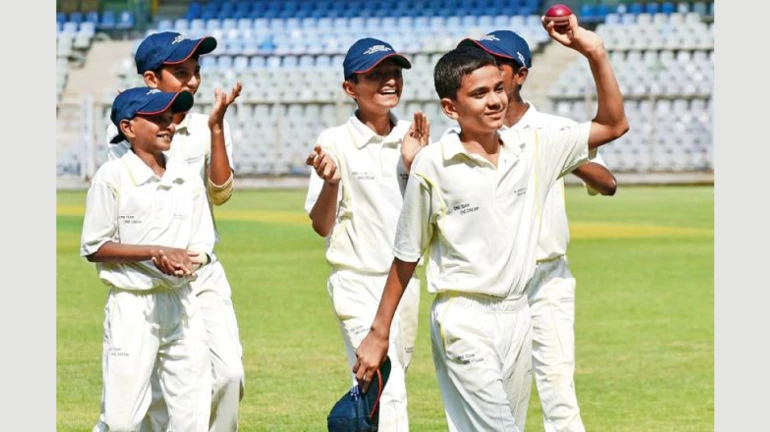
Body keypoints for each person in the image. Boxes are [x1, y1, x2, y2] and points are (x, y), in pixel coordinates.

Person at [353, 14, 629, 432]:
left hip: (519, 312)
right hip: (462, 317)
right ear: (451, 107)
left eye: (498, 88)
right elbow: (406, 253)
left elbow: (613, 125)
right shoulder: (433, 164)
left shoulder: (534, 146)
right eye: (480, 94)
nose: (495, 100)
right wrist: (379, 333)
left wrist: (594, 52)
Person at [457, 30, 617, 432]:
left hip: (545, 280)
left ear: (521, 74)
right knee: (499, 399)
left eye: (498, 63)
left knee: (558, 390)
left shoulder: (549, 128)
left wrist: (556, 155)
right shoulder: (471, 131)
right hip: (491, 284)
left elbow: (607, 182)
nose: (487, 68)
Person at [101, 32, 244, 432]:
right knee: (156, 397)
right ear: (151, 78)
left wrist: (216, 129)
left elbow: (222, 194)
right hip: (150, 279)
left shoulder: (205, 126)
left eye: (196, 72)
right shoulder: (127, 134)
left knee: (230, 375)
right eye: (181, 73)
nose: (193, 82)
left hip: (203, 272)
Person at [304, 37, 430, 431]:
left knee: (380, 392)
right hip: (356, 281)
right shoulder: (334, 141)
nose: (389, 81)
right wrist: (331, 184)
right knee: (386, 386)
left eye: (394, 72)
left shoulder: (415, 135)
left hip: (404, 282)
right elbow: (321, 225)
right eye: (375, 75)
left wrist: (412, 164)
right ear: (350, 88)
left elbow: (428, 215)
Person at [81, 87, 214, 431]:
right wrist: (155, 252)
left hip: (183, 303)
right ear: (128, 128)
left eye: (170, 117)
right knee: (122, 420)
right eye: (157, 117)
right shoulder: (112, 176)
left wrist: (188, 262)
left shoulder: (187, 179)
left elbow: (203, 244)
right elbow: (94, 245)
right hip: (132, 306)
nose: (168, 124)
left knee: (194, 415)